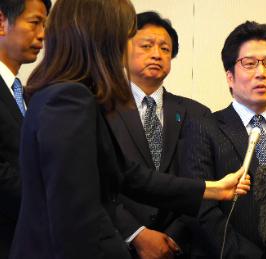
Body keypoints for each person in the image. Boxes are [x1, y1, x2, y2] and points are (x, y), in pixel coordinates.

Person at [8, 0, 249, 258]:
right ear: (103, 39)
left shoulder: (70, 95)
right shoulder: (69, 101)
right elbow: (76, 220)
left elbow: (127, 174)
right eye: (127, 37)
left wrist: (210, 188)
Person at [180, 21, 266, 258]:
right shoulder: (204, 127)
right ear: (229, 77)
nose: (261, 73)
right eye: (249, 64)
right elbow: (199, 208)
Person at [106, 11, 211, 258]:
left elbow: (203, 181)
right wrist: (136, 233)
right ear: (123, 51)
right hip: (117, 243)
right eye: (146, 45)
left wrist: (175, 235)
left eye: (165, 49)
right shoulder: (101, 108)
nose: (156, 54)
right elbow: (97, 184)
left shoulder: (197, 113)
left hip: (179, 246)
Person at [0, 0, 50, 256]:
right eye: (34, 22)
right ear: (2, 22)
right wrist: (49, 202)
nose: (42, 34)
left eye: (45, 25)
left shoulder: (27, 95)